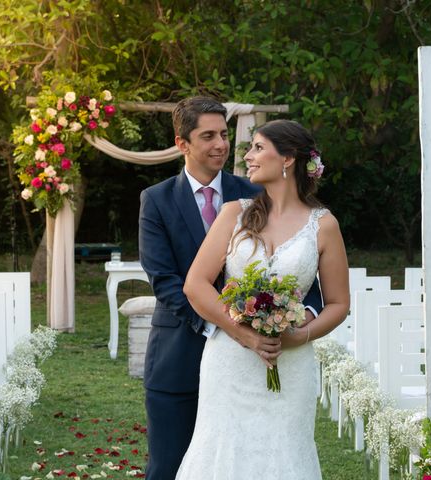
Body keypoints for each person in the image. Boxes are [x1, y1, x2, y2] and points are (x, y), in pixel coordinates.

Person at [138, 98, 323, 479]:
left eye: (223, 134)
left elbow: (302, 268)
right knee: (170, 465)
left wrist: (292, 322)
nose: (221, 144)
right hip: (180, 352)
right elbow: (167, 282)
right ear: (182, 143)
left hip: (260, 360)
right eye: (208, 136)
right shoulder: (156, 200)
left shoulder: (258, 191)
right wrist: (230, 329)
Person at [176, 119, 350, 479]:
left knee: (285, 451)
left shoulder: (323, 224)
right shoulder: (234, 213)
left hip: (291, 365)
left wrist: (299, 335)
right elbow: (195, 284)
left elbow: (338, 303)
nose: (248, 156)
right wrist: (244, 333)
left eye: (257, 147)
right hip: (229, 363)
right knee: (221, 451)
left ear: (287, 158)